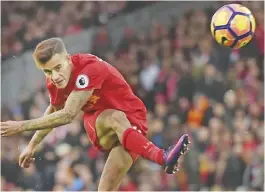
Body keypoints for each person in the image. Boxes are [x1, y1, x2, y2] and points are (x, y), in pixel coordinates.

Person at [1, 38, 190, 190]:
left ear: (68, 58)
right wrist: (32, 144)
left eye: (58, 68)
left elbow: (67, 114)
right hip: (98, 123)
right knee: (115, 117)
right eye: (47, 72)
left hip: (135, 121)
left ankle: (162, 157)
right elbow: (57, 111)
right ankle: (162, 157)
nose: (54, 77)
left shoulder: (89, 69)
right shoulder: (54, 82)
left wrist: (20, 126)